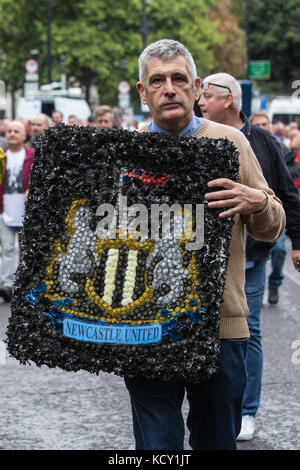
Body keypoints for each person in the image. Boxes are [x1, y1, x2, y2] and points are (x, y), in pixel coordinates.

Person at [123, 39, 285, 451]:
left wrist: (259, 202)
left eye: (179, 78)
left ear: (196, 88)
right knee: (157, 445)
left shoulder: (231, 142)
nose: (169, 89)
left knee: (216, 441)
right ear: (142, 92)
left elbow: (272, 227)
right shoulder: (125, 152)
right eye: (157, 80)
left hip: (221, 327)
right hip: (146, 328)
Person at [199, 72, 300, 441]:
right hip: (203, 259)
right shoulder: (196, 136)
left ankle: (245, 410)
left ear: (228, 99)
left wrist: (296, 239)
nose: (200, 101)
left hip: (252, 256)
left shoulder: (262, 142)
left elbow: (285, 195)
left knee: (247, 330)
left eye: (206, 95)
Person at [250, 112, 300, 305]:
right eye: (258, 124)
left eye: (265, 123)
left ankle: (275, 282)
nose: (263, 127)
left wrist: (297, 240)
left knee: (279, 250)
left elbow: (292, 172)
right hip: (255, 216)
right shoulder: (245, 146)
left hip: (277, 211)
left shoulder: (275, 146)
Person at [0, 121, 34, 301]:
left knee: (25, 250)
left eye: (16, 131)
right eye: (9, 131)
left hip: (25, 211)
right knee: (6, 250)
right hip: (4, 210)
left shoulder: (32, 155)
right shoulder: (1, 155)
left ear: (24, 135)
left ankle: (23, 285)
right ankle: (6, 285)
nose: (12, 134)